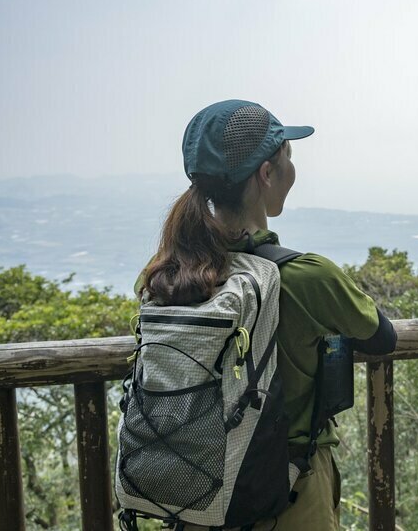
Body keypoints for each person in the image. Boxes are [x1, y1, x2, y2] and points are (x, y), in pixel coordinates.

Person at [137, 99, 397, 530]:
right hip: (287, 491)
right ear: (266, 173)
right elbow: (382, 337)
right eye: (288, 157)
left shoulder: (163, 277)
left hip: (197, 491)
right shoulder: (306, 276)